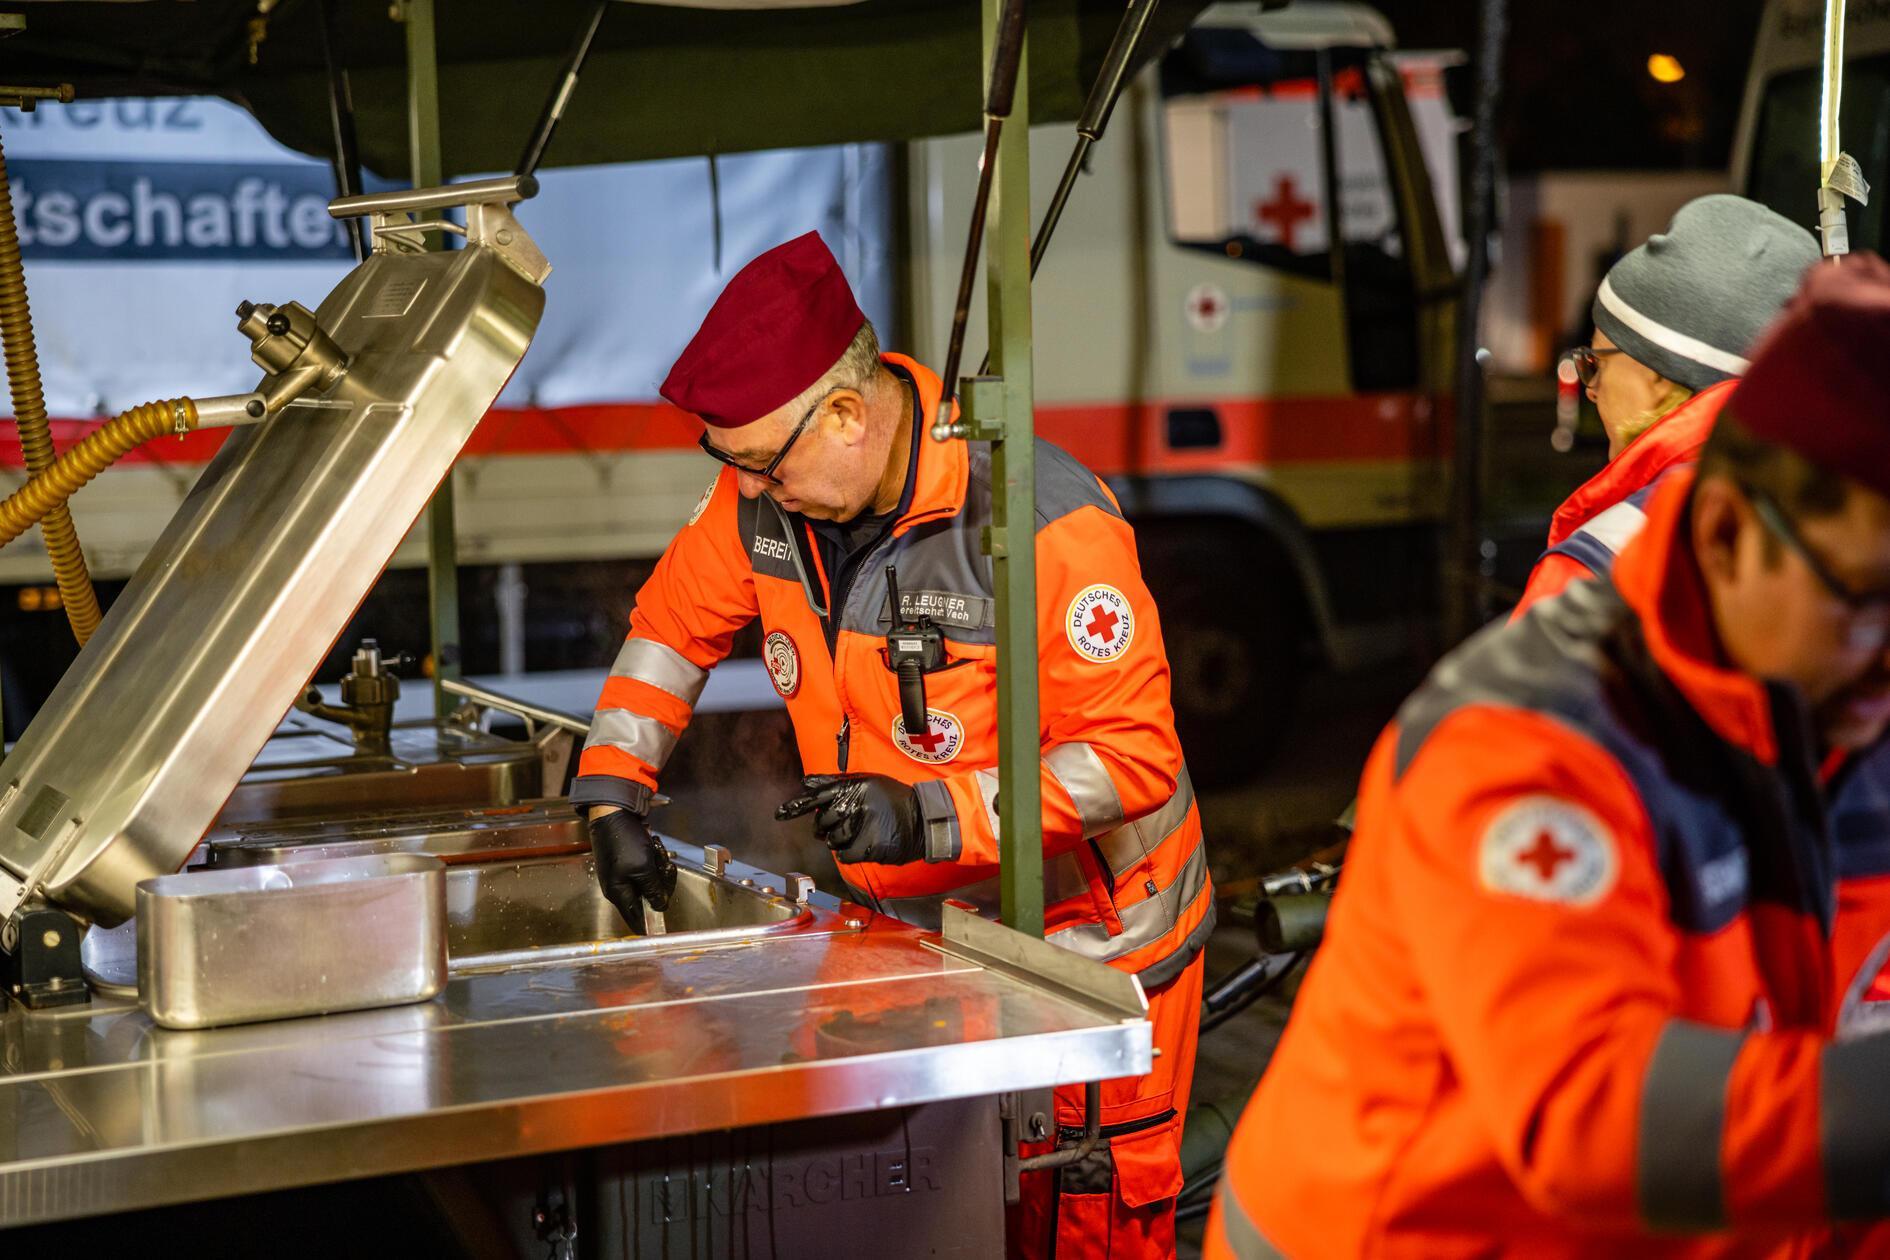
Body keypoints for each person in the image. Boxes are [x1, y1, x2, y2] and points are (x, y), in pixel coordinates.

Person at [1208, 255, 1890, 1256]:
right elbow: (1593, 1112)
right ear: (1730, 531)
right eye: (1865, 596)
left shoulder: (1835, 698)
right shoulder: (1529, 739)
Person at [571, 231, 1213, 1258]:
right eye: (733, 468)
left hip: (1093, 960)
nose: (754, 491)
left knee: (1084, 1224)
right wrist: (612, 789)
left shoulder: (1042, 519)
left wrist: (929, 811)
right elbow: (669, 629)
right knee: (953, 1218)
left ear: (844, 413)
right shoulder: (763, 501)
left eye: (765, 467)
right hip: (915, 945)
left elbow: (1133, 757)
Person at [1514, 195, 1818, 617]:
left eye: (1595, 363)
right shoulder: (1840, 519)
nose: (1591, 389)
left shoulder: (1601, 564)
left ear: (1657, 375)